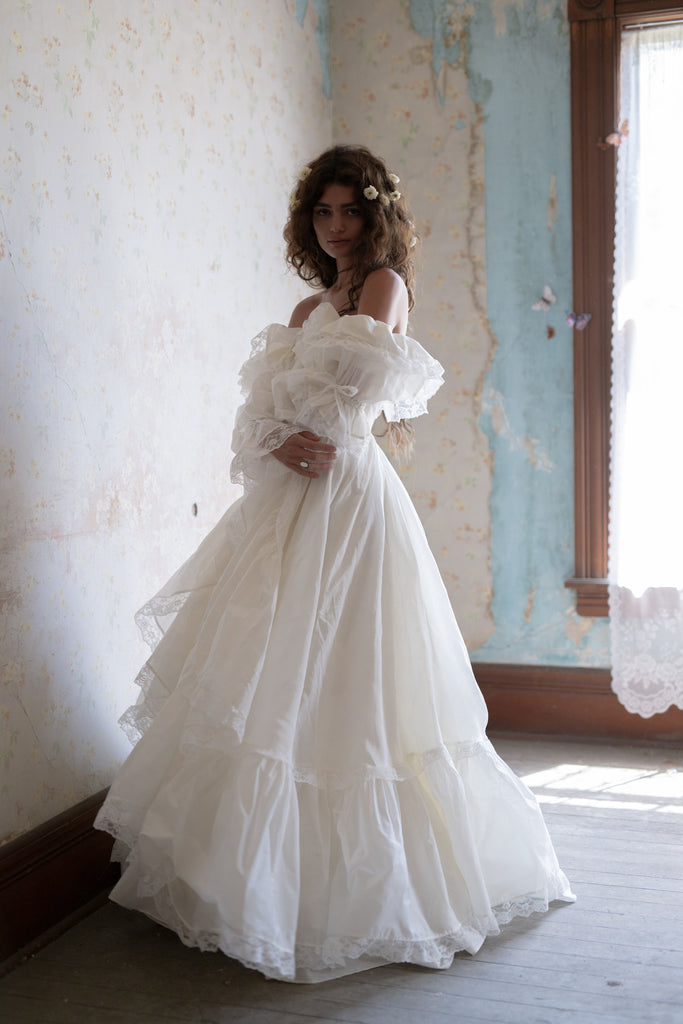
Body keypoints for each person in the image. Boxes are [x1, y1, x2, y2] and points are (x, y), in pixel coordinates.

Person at [95, 145, 574, 984]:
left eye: (351, 210)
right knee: (268, 666)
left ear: (376, 215)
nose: (336, 225)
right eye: (323, 211)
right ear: (306, 221)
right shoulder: (305, 306)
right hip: (290, 499)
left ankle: (362, 894)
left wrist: (296, 424)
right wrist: (276, 436)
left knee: (351, 666)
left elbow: (350, 396)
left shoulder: (383, 287)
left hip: (349, 495)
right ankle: (244, 885)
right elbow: (257, 414)